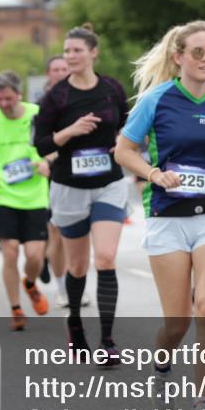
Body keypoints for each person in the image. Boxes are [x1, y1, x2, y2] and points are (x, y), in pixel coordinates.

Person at [115, 19, 205, 410]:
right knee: (178, 321)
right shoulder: (157, 99)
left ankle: (204, 403)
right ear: (179, 56)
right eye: (198, 52)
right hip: (167, 219)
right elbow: (124, 150)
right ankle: (163, 359)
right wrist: (153, 174)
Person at [33, 24, 128, 362]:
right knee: (77, 265)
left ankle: (107, 339)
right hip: (69, 187)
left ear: (92, 52)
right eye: (67, 50)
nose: (70, 56)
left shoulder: (111, 89)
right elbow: (41, 144)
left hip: (109, 184)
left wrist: (122, 142)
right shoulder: (56, 97)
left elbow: (126, 126)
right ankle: (74, 324)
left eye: (76, 50)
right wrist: (69, 131)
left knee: (105, 257)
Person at [0, 71, 51, 330]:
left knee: (35, 256)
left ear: (19, 95)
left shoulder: (37, 114)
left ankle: (30, 283)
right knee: (10, 251)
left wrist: (48, 161)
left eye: (8, 99)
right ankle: (15, 308)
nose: (3, 104)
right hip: (3, 196)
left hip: (35, 197)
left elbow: (57, 144)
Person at [39, 55, 85, 307]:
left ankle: (75, 284)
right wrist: (46, 160)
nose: (60, 72)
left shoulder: (83, 98)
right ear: (48, 74)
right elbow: (37, 142)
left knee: (77, 234)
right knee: (56, 232)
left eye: (63, 68)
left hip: (80, 173)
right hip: (51, 174)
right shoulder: (43, 103)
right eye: (55, 69)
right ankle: (61, 288)